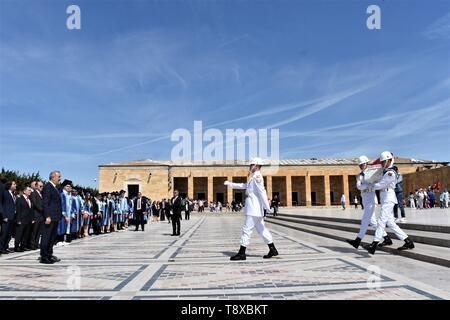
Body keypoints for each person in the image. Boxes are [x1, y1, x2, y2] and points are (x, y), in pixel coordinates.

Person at [224, 157, 278, 260]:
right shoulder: (253, 177)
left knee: (246, 230)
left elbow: (262, 191)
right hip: (255, 209)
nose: (250, 166)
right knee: (262, 230)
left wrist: (267, 206)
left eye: (251, 165)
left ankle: (242, 253)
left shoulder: (257, 177)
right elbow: (244, 185)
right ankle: (272, 249)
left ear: (256, 166)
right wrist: (231, 184)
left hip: (253, 209)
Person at [363, 151, 414, 255]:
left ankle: (374, 244)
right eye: (381, 162)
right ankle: (408, 241)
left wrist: (370, 186)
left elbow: (381, 184)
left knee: (381, 220)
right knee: (390, 223)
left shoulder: (390, 172)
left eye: (383, 162)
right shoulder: (386, 171)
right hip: (385, 197)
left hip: (388, 197)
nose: (382, 164)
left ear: (389, 160)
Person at [347, 156, 390, 249]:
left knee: (365, 220)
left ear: (366, 163)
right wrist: (367, 185)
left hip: (371, 199)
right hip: (365, 198)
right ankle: (386, 238)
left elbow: (376, 182)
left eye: (362, 164)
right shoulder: (360, 175)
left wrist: (367, 185)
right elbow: (358, 186)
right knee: (372, 221)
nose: (361, 166)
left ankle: (357, 241)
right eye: (360, 165)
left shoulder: (372, 173)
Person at [41, 171, 63, 264]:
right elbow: (45, 203)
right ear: (52, 177)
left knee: (52, 238)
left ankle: (49, 254)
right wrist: (47, 216)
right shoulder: (48, 187)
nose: (60, 179)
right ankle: (44, 256)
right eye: (59, 177)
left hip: (55, 217)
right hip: (50, 217)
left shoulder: (54, 188)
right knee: (46, 237)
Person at [14, 186, 34, 252]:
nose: (30, 191)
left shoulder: (30, 199)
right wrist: (18, 220)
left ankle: (23, 246)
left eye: (30, 190)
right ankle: (16, 247)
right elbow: (18, 210)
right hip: (21, 220)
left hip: (28, 220)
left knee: (26, 234)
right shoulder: (20, 199)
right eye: (29, 190)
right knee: (19, 234)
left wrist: (32, 219)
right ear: (24, 191)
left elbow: (31, 210)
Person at [0, 181, 17, 254]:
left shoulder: (13, 194)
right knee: (4, 233)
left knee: (9, 234)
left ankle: (5, 247)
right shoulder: (4, 192)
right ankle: (1, 248)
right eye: (14, 184)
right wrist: (3, 216)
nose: (15, 185)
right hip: (6, 217)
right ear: (9, 185)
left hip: (12, 217)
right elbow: (1, 204)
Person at [29, 181, 43, 250]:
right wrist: (42, 209)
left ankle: (36, 244)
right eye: (40, 186)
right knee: (34, 231)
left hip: (41, 216)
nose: (41, 187)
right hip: (36, 215)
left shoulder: (41, 194)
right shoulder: (34, 193)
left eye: (42, 186)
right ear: (36, 186)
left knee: (39, 231)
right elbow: (34, 203)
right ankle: (32, 244)